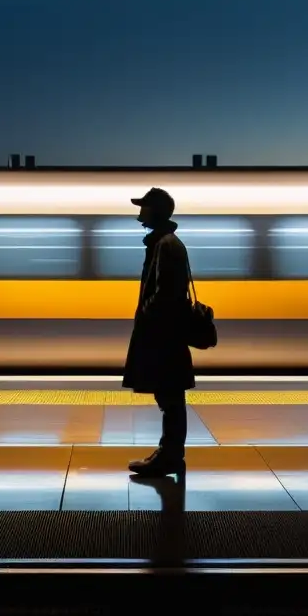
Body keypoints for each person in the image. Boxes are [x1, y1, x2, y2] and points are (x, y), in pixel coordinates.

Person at [123, 187, 195, 477]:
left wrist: (148, 319)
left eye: (143, 208)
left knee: (170, 398)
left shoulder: (166, 245)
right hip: (166, 335)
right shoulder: (164, 243)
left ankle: (170, 455)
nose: (139, 213)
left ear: (155, 211)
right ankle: (170, 453)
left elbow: (165, 294)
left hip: (164, 337)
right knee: (170, 398)